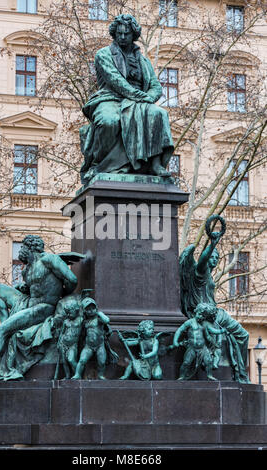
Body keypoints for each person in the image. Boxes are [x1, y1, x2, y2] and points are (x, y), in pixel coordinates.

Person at [0, 235, 79, 385]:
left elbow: (72, 280)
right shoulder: (27, 269)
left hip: (43, 307)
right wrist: (24, 288)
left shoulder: (49, 260)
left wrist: (62, 295)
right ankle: (7, 323)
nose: (20, 251)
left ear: (30, 248)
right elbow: (33, 287)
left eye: (22, 247)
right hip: (27, 302)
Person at [80, 14, 174, 184]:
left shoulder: (143, 61)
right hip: (110, 98)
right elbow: (115, 80)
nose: (122, 37)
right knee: (109, 121)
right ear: (114, 34)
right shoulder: (103, 54)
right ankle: (98, 164)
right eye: (119, 33)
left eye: (126, 34)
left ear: (134, 35)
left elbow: (156, 85)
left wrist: (149, 98)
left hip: (139, 101)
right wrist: (139, 96)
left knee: (159, 114)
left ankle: (155, 163)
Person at [180, 215, 250, 383]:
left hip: (214, 313)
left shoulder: (209, 276)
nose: (214, 259)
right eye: (213, 256)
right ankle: (240, 375)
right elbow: (203, 260)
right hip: (208, 315)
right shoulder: (200, 273)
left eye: (216, 258)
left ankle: (240, 374)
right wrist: (212, 244)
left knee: (243, 335)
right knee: (242, 335)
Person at [173, 303, 225, 381]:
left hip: (202, 348)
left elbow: (212, 331)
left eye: (203, 316)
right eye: (200, 314)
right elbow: (179, 330)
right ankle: (182, 376)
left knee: (208, 362)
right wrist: (175, 341)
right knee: (186, 362)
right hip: (192, 347)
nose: (201, 317)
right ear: (195, 312)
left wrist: (221, 331)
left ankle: (209, 375)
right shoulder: (190, 322)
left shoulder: (204, 324)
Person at [71, 298, 116, 380]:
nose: (91, 311)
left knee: (101, 362)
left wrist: (100, 313)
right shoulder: (85, 321)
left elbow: (107, 320)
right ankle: (77, 374)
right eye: (88, 309)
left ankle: (100, 375)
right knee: (82, 360)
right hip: (88, 346)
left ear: (96, 308)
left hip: (100, 345)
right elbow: (82, 334)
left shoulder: (99, 319)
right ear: (85, 311)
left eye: (93, 308)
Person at [53, 297, 84, 379]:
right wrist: (59, 342)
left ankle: (77, 374)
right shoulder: (66, 321)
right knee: (64, 362)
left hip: (72, 345)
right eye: (67, 313)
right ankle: (67, 376)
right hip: (63, 344)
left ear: (76, 310)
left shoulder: (80, 320)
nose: (68, 315)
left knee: (71, 359)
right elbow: (62, 333)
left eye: (69, 313)